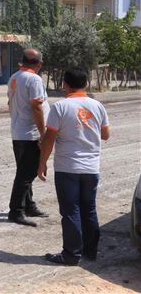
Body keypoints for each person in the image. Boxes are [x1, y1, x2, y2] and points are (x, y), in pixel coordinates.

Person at [37, 67, 110, 265]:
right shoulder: (97, 106)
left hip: (67, 167)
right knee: (89, 210)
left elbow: (49, 138)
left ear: (64, 85)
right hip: (91, 167)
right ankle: (90, 251)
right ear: (86, 84)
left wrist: (41, 163)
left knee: (70, 211)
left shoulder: (60, 107)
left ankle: (71, 254)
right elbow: (105, 134)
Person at [6, 48, 50, 227]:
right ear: (39, 65)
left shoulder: (14, 77)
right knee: (26, 174)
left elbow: (10, 103)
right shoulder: (34, 79)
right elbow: (37, 107)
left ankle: (28, 205)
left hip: (18, 131)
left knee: (25, 172)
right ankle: (16, 211)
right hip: (30, 134)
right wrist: (43, 134)